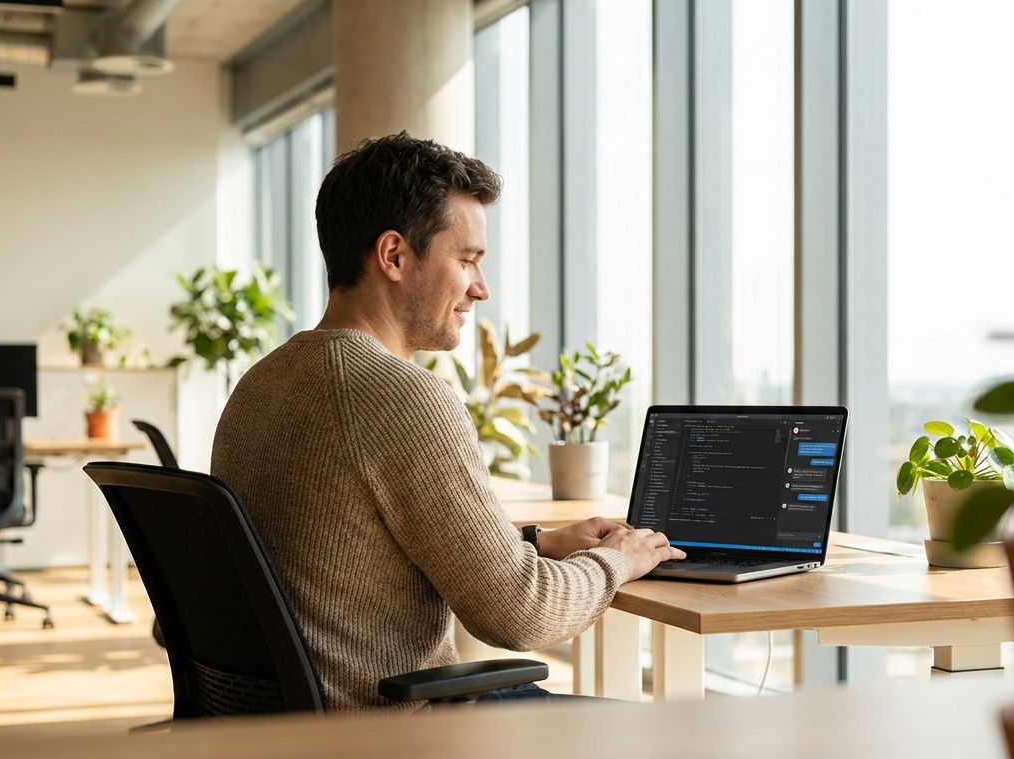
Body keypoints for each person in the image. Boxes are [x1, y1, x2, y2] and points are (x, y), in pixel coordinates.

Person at [211, 132, 684, 712]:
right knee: (663, 741)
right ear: (393, 255)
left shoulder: (262, 382)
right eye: (467, 260)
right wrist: (621, 559)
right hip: (396, 739)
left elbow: (346, 558)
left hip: (284, 733)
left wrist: (537, 543)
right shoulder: (402, 398)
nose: (480, 289)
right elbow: (522, 614)